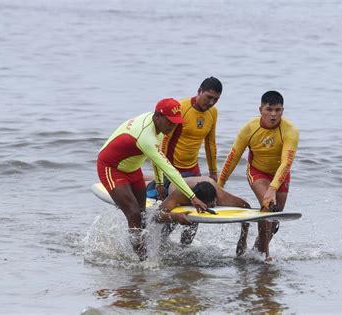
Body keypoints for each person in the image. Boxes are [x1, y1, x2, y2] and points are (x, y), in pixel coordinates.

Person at [96, 98, 208, 261]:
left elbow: (156, 157)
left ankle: (137, 250)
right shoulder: (146, 135)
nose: (173, 126)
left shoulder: (159, 128)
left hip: (133, 169)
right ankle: (143, 262)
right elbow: (169, 168)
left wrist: (160, 183)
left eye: (176, 123)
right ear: (158, 116)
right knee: (133, 212)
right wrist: (193, 197)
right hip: (111, 168)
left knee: (141, 215)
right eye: (170, 122)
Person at [217, 91, 299, 262]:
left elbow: (286, 163)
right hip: (257, 171)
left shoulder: (290, 130)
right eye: (269, 109)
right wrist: (219, 185)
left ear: (283, 110)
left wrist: (273, 188)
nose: (274, 114)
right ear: (260, 109)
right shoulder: (249, 128)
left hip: (280, 174)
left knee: (275, 220)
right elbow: (233, 157)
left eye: (278, 110)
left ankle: (256, 250)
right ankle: (265, 256)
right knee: (268, 208)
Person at [153, 77, 223, 244]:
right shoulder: (181, 108)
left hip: (193, 169)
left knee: (196, 211)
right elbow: (163, 143)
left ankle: (185, 249)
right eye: (208, 97)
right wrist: (160, 179)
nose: (211, 102)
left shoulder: (213, 113)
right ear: (199, 91)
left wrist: (213, 173)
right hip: (172, 169)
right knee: (174, 209)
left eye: (216, 99)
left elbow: (210, 143)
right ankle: (160, 243)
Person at [158, 176, 251, 245]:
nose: (213, 206)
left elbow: (246, 208)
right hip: (173, 184)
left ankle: (184, 250)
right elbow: (157, 215)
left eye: (213, 204)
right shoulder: (179, 195)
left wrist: (243, 239)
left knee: (192, 222)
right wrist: (175, 217)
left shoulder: (221, 196)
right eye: (207, 206)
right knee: (165, 232)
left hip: (201, 181)